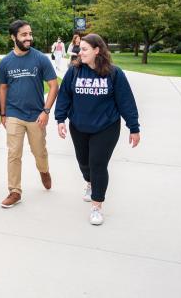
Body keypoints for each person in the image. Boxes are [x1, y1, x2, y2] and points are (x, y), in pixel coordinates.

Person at [54, 33, 140, 226]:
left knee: (98, 164)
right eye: (80, 49)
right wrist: (60, 119)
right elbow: (65, 96)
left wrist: (133, 127)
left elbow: (126, 101)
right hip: (79, 126)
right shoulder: (74, 72)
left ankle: (96, 206)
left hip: (106, 127)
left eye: (84, 49)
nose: (79, 52)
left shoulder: (114, 73)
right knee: (84, 163)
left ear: (97, 50)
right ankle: (89, 182)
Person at [0, 20, 59, 208]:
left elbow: (53, 84)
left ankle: (44, 171)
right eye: (24, 35)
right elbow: (3, 88)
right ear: (13, 37)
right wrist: (3, 113)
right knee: (13, 153)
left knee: (39, 152)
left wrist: (46, 111)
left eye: (30, 34)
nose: (29, 38)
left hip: (36, 115)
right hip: (14, 114)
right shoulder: (6, 62)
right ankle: (14, 191)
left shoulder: (40, 58)